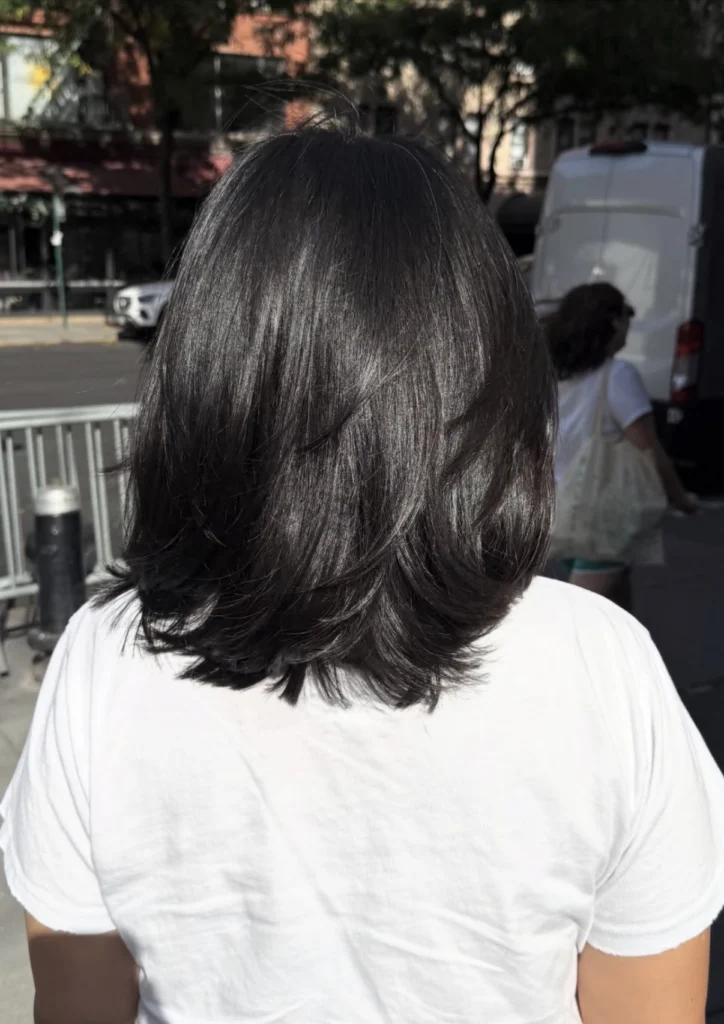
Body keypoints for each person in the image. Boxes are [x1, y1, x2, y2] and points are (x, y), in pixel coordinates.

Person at [2, 126, 724, 1024]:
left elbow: (77, 1007)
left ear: (203, 366)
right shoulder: (603, 666)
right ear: (488, 368)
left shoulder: (102, 664)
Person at [547, 282, 697, 610]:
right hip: (601, 518)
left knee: (615, 616)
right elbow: (648, 449)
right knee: (583, 617)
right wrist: (680, 498)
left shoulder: (555, 376)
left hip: (555, 513)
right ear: (614, 322)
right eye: (628, 317)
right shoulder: (618, 375)